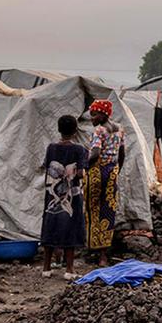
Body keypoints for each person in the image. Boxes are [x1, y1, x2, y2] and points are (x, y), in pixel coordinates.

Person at [41, 115, 86, 279]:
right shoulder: (79, 150)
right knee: (71, 227)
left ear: (59, 130)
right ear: (75, 130)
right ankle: (69, 269)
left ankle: (46, 267)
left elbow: (47, 166)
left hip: (52, 193)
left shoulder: (51, 147)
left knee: (50, 223)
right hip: (71, 194)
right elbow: (80, 173)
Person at [86, 99, 125, 267]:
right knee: (108, 209)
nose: (92, 118)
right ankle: (104, 255)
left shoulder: (99, 130)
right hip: (112, 171)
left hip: (97, 171)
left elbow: (95, 153)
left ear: (103, 114)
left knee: (92, 208)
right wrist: (117, 170)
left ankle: (93, 250)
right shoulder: (119, 129)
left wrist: (84, 165)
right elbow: (122, 153)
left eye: (94, 115)